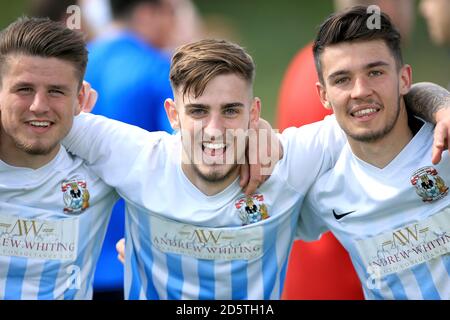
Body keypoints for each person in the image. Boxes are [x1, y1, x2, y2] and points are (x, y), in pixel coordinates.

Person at [63, 38, 450, 299]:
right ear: (173, 115)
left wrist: (441, 107)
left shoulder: (290, 161)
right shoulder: (136, 156)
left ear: (254, 113)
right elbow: (34, 118)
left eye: (231, 111)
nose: (214, 130)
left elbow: (378, 104)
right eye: (198, 111)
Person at [297, 5, 450, 299]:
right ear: (323, 95)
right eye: (342, 79)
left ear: (404, 78)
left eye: (375, 72)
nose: (360, 90)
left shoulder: (444, 142)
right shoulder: (323, 188)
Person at [277, 0, 416, 300]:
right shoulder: (328, 80)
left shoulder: (313, 63)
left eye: (375, 73)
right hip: (337, 283)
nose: (359, 90)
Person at [0, 16, 118, 299]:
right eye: (24, 89)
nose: (39, 106)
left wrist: (245, 144)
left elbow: (191, 154)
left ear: (80, 100)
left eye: (56, 91)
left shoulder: (105, 166)